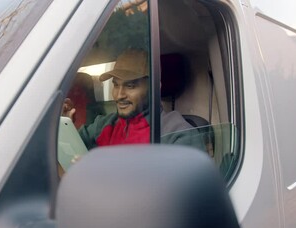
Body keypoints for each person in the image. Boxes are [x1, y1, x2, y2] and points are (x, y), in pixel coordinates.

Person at [63, 48, 205, 151]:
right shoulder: (103, 125)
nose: (119, 95)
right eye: (115, 85)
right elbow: (66, 151)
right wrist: (63, 126)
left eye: (130, 86)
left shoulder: (174, 133)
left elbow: (186, 189)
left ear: (155, 87)